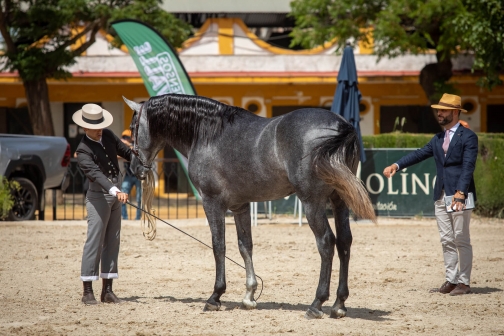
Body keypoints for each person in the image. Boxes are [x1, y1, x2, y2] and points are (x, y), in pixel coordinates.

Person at [382, 93, 478, 296]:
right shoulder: (438, 138)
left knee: (461, 239)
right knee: (446, 239)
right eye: (438, 110)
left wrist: (461, 192)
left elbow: (468, 167)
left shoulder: (469, 137)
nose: (438, 113)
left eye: (442, 110)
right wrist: (396, 165)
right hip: (441, 194)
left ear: (454, 112)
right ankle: (451, 279)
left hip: (459, 194)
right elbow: (419, 154)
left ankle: (464, 282)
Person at [72, 103, 134, 304]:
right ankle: (87, 291)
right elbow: (96, 174)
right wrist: (116, 191)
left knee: (113, 241)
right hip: (99, 197)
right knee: (94, 242)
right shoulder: (82, 151)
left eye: (100, 125)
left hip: (116, 196)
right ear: (84, 128)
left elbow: (125, 151)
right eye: (95, 127)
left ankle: (107, 290)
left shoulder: (107, 135)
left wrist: (139, 159)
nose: (99, 129)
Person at [120, 129, 142, 220]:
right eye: (123, 137)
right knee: (122, 197)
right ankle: (125, 217)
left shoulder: (137, 146)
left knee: (139, 199)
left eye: (127, 137)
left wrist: (128, 145)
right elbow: (118, 156)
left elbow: (137, 155)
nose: (125, 139)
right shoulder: (122, 148)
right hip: (128, 176)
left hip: (138, 176)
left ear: (132, 138)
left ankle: (138, 218)